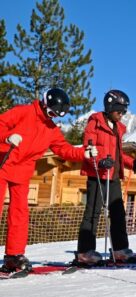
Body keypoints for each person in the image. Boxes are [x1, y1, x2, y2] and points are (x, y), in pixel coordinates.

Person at [0, 88, 97, 272]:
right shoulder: (23, 112)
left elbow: (63, 149)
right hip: (3, 163)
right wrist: (7, 136)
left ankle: (13, 255)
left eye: (57, 115)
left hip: (22, 171)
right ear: (45, 103)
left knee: (19, 213)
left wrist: (83, 153)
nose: (53, 117)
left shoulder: (51, 130)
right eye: (51, 112)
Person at [76, 89, 136, 266]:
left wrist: (132, 163)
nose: (122, 114)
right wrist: (100, 161)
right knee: (93, 213)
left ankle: (120, 250)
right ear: (110, 107)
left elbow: (118, 154)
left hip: (113, 176)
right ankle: (85, 252)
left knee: (118, 213)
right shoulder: (95, 123)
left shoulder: (118, 128)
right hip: (97, 173)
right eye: (119, 110)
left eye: (124, 111)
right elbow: (89, 148)